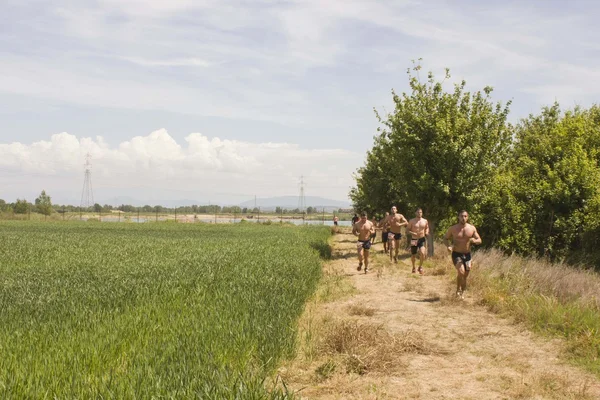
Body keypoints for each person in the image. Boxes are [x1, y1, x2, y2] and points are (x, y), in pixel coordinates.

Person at [443, 210, 482, 299]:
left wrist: (474, 241)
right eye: (461, 216)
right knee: (461, 271)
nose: (463, 218)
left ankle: (462, 293)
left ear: (467, 217)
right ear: (458, 217)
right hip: (457, 254)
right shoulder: (453, 228)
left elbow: (480, 240)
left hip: (467, 255)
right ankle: (457, 290)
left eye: (465, 216)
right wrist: (449, 246)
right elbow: (445, 238)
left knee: (464, 276)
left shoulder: (472, 228)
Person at [407, 208, 429, 275]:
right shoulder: (411, 221)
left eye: (421, 212)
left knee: (422, 253)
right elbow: (407, 230)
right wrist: (412, 233)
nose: (419, 213)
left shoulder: (425, 221)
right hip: (414, 239)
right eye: (418, 212)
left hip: (422, 239)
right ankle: (413, 267)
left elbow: (427, 227)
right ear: (415, 213)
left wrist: (427, 232)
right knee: (413, 255)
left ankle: (420, 267)